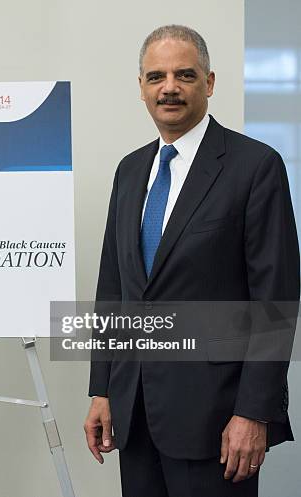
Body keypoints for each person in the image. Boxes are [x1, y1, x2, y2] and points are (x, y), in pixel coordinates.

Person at [84, 25, 299, 497]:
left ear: (210, 82)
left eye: (185, 74)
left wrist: (253, 412)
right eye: (156, 76)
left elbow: (274, 301)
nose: (170, 88)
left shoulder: (255, 167)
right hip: (135, 415)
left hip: (218, 424)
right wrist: (102, 388)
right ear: (141, 88)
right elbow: (114, 289)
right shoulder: (130, 170)